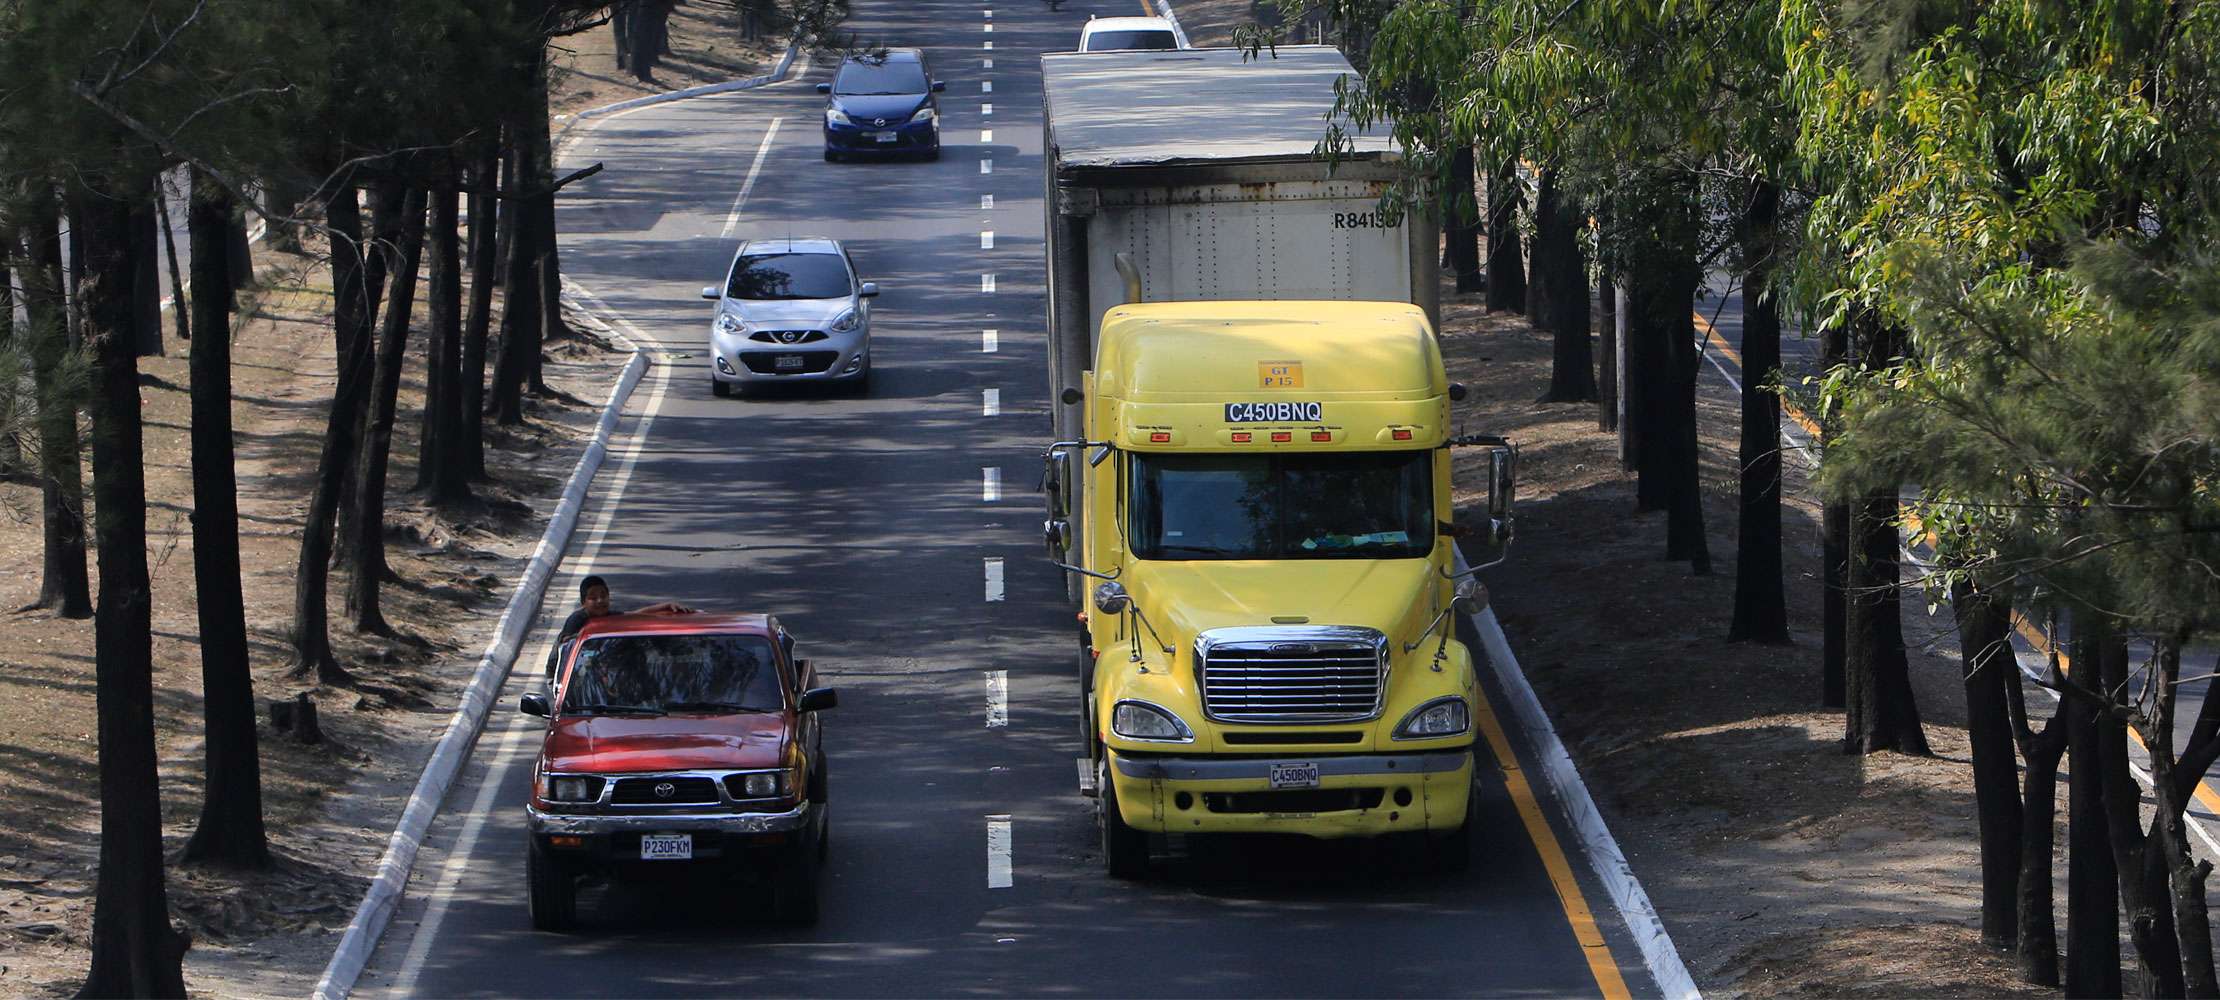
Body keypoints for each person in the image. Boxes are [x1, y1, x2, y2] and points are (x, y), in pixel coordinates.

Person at [546, 575, 694, 680]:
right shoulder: (577, 619)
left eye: (603, 596)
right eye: (593, 598)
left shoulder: (610, 616)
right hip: (561, 672)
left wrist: (665, 606)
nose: (600, 601)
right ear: (583, 602)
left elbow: (634, 615)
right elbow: (567, 646)